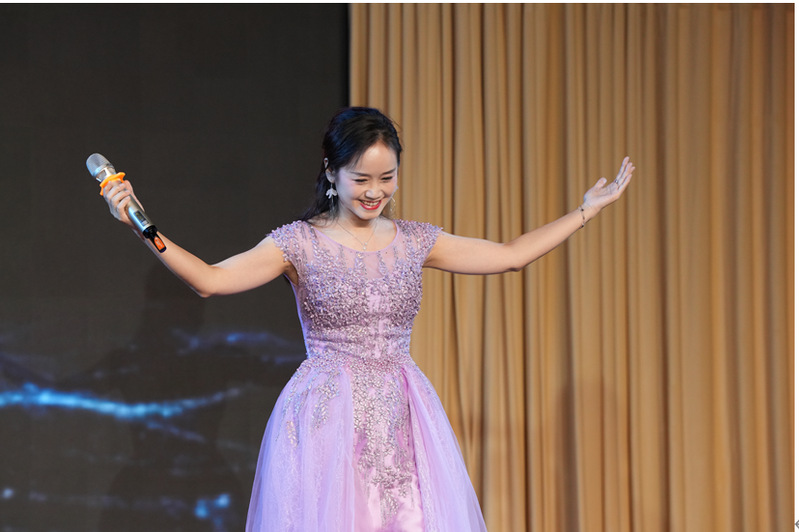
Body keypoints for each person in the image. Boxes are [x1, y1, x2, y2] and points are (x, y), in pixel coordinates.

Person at [101, 107, 634, 531]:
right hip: (326, 417)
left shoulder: (416, 240)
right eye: (361, 178)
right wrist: (141, 226)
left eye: (387, 177)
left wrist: (586, 210)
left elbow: (511, 255)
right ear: (332, 173)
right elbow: (210, 279)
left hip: (404, 414)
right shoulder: (298, 244)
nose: (375, 191)